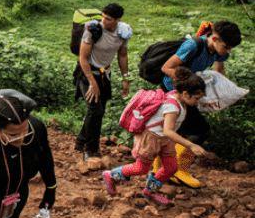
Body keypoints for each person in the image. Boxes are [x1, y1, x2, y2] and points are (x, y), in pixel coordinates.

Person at [103, 67, 207, 205]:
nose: (198, 102)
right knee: (141, 168)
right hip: (152, 138)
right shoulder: (172, 107)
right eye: (197, 98)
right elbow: (168, 131)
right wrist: (191, 145)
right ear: (186, 94)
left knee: (171, 167)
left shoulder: (180, 98)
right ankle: (111, 175)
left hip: (165, 140)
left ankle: (149, 192)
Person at [157, 19, 242, 187]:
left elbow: (219, 69)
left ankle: (162, 169)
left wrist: (229, 92)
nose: (228, 51)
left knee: (180, 130)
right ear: (215, 38)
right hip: (175, 92)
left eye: (231, 48)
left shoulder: (220, 51)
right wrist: (189, 81)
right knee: (200, 130)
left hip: (190, 92)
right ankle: (179, 170)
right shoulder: (193, 46)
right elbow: (166, 68)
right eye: (226, 46)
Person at [74, 4, 132, 161]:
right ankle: (90, 149)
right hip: (87, 73)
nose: (103, 21)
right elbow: (83, 58)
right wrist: (92, 83)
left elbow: (122, 55)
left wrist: (125, 78)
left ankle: (80, 140)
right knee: (96, 111)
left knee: (98, 109)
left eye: (108, 19)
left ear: (117, 20)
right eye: (103, 17)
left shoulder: (123, 33)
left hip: (104, 75)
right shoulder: (93, 31)